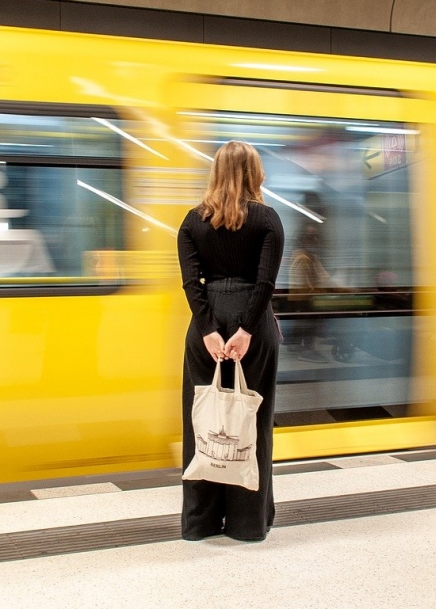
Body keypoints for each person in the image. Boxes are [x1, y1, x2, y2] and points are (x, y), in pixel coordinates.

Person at [176, 141, 285, 541]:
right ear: (255, 173)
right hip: (253, 326)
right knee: (252, 423)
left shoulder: (191, 222)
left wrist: (208, 330)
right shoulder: (268, 219)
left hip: (204, 330)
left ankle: (200, 522)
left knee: (202, 422)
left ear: (216, 173)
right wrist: (247, 331)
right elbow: (265, 283)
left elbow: (192, 283)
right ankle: (246, 523)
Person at [287, 222, 331, 363]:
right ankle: (308, 350)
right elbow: (304, 288)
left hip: (308, 300)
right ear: (302, 239)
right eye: (311, 237)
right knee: (311, 314)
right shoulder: (302, 259)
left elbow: (325, 278)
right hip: (303, 302)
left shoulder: (312, 258)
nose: (316, 240)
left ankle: (300, 344)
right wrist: (324, 291)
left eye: (317, 237)